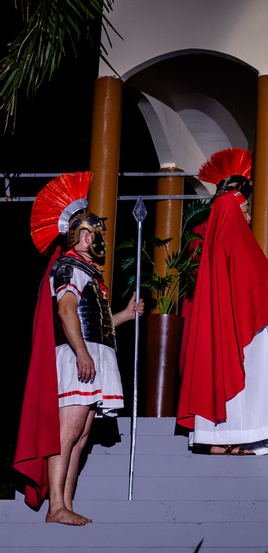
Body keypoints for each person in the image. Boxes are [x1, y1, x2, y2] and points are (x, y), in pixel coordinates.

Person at [15, 172, 143, 525]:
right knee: (67, 432)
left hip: (92, 351)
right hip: (77, 356)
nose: (89, 237)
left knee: (82, 435)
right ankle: (56, 506)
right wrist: (83, 354)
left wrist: (125, 315)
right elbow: (66, 310)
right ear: (73, 234)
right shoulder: (69, 266)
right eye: (82, 231)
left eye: (92, 231)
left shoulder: (89, 271)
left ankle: (65, 503)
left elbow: (97, 326)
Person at [178, 148, 268, 454]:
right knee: (241, 376)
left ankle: (228, 439)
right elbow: (246, 281)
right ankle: (227, 439)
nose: (251, 216)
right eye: (247, 209)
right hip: (239, 327)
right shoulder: (227, 235)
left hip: (238, 323)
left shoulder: (216, 235)